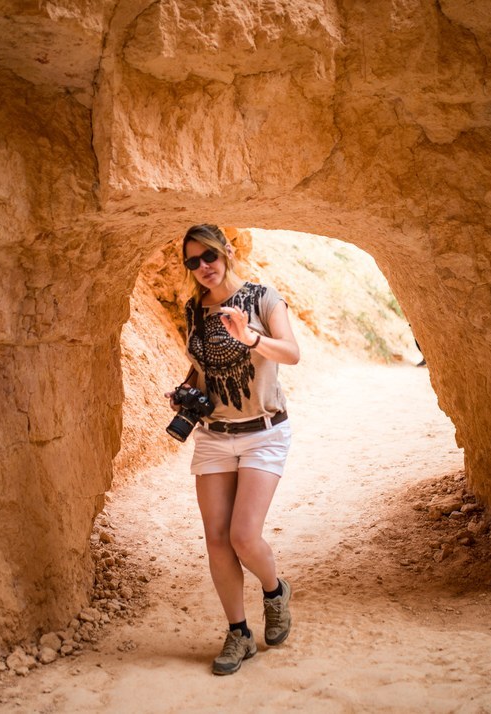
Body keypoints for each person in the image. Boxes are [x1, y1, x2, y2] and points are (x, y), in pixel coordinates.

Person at [168, 224, 300, 675]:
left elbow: (292, 353)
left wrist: (251, 338)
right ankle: (238, 633)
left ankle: (274, 589)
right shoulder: (194, 310)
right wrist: (185, 389)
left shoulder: (264, 298)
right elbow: (202, 370)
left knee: (244, 536)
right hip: (215, 436)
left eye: (208, 256)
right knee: (218, 540)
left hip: (264, 431)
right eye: (193, 262)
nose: (203, 267)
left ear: (226, 251)